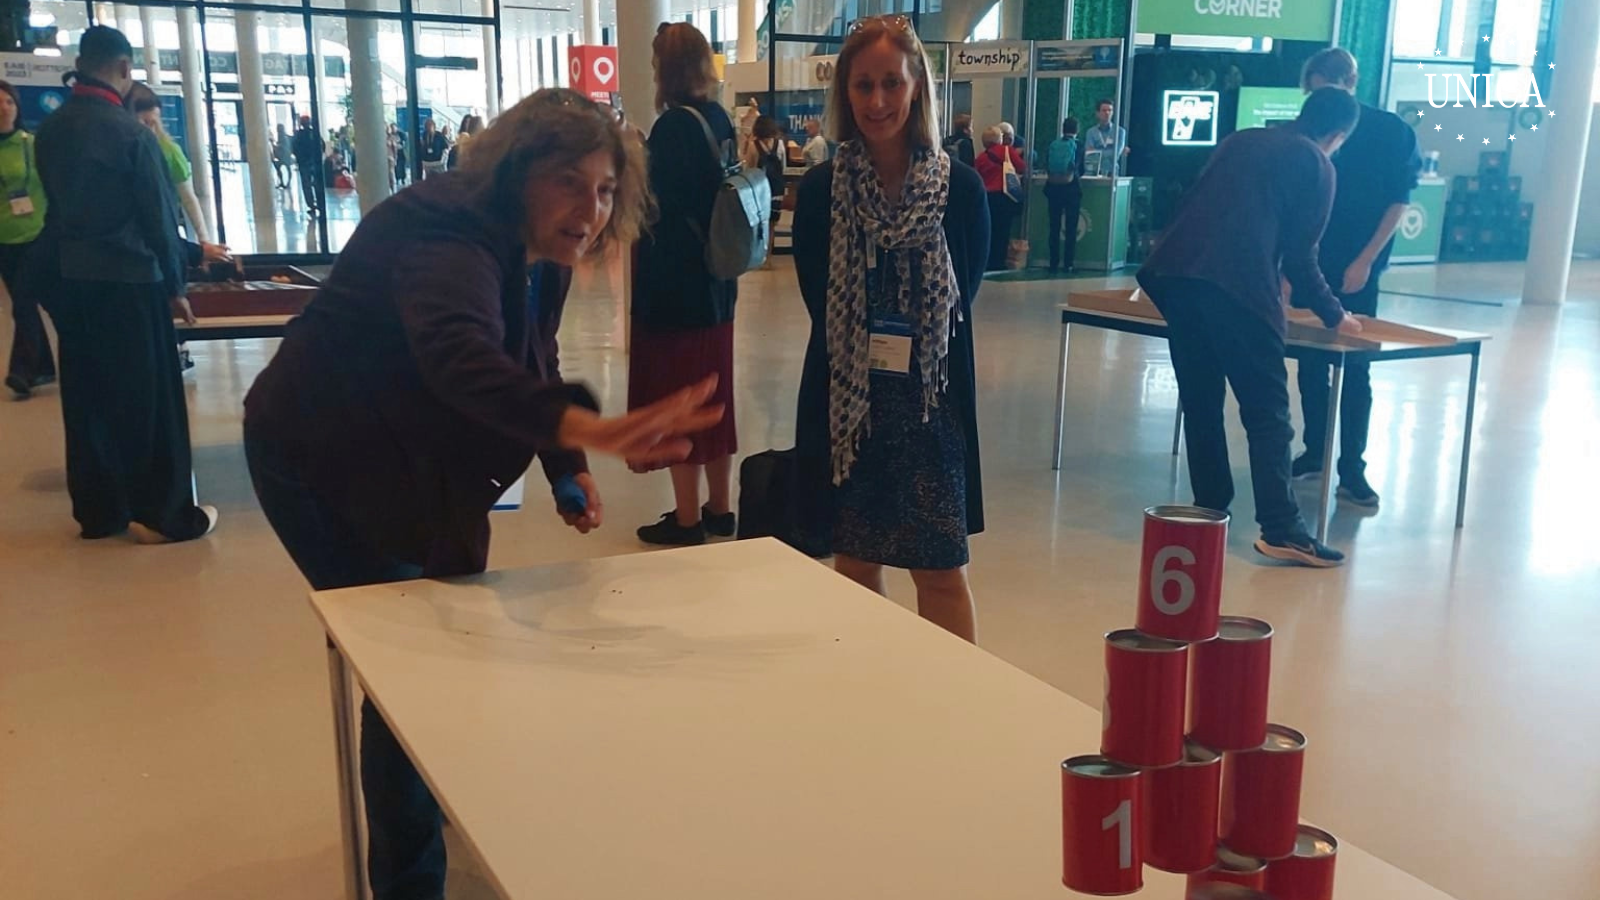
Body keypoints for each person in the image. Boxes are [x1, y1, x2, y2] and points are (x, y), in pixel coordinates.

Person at [243, 88, 722, 900]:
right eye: (569, 182)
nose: (590, 209)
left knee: (446, 640)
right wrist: (594, 428)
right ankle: (409, 883)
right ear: (515, 170)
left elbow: (525, 353)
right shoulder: (446, 230)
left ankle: (426, 810)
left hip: (420, 454)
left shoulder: (546, 244)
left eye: (605, 189)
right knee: (406, 671)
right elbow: (460, 356)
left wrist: (563, 464)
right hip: (322, 461)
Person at [792, 14, 990, 642]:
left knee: (940, 572)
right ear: (845, 95)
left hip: (931, 410)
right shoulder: (823, 190)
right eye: (862, 86)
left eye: (891, 84)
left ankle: (958, 701)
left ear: (917, 88)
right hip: (852, 410)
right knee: (853, 566)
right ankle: (868, 691)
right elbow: (818, 305)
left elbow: (966, 303)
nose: (877, 101)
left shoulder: (958, 188)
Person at [1135, 87, 1363, 568]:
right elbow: (1302, 257)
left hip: (1174, 276)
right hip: (1235, 287)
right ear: (1338, 134)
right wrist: (1335, 314)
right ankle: (1281, 528)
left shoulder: (1242, 140)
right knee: (1267, 414)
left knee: (1201, 403)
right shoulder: (1318, 164)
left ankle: (1210, 509)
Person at [30, 26, 228, 542]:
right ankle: (161, 515)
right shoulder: (129, 133)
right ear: (122, 69)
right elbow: (157, 217)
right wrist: (177, 283)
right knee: (148, 398)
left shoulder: (51, 130)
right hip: (130, 278)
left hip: (71, 279)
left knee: (87, 396)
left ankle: (99, 511)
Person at [1291, 48, 1421, 509]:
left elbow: (1397, 200)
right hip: (1311, 257)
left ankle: (1352, 468)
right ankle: (1314, 451)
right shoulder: (1311, 128)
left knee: (1356, 365)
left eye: (1320, 88)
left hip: (1356, 264)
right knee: (1308, 358)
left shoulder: (1390, 131)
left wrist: (1365, 260)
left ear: (1345, 81)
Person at [628, 21, 741, 547]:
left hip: (677, 289)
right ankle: (721, 508)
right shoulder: (720, 118)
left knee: (681, 396)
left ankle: (688, 518)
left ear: (666, 70)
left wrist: (634, 157)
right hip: (718, 282)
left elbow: (656, 209)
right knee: (716, 395)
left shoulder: (673, 128)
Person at [0, 78, 55, 400]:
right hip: (4, 239)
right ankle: (43, 364)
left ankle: (21, 371)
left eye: (8, 102)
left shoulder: (33, 145)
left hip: (38, 235)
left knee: (23, 302)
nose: (3, 109)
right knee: (27, 303)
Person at [125, 83, 210, 243]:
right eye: (144, 122)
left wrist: (204, 239)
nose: (150, 130)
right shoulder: (121, 151)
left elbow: (188, 198)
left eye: (154, 123)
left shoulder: (170, 151)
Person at [974, 124, 1024, 271]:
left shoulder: (981, 158)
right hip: (1005, 195)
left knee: (991, 229)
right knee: (1004, 230)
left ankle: (989, 260)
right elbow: (1022, 167)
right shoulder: (1008, 151)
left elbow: (977, 176)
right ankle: (1000, 261)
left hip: (988, 197)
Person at [1043, 117, 1083, 274]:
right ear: (1077, 130)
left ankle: (1053, 262)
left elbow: (1047, 164)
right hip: (1071, 190)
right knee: (1071, 227)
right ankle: (1068, 264)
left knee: (1054, 226)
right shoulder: (1078, 145)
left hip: (1053, 188)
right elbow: (1081, 168)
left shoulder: (1054, 145)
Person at [745, 114, 786, 246]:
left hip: (759, 189)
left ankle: (760, 253)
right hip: (776, 189)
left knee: (760, 222)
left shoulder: (753, 146)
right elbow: (783, 166)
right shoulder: (779, 144)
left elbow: (749, 169)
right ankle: (769, 255)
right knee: (772, 224)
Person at [291, 113, 324, 214]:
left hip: (304, 163)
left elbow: (294, 148)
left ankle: (311, 204)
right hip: (314, 162)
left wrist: (299, 158)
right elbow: (322, 145)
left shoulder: (298, 135)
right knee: (317, 183)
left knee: (307, 185)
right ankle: (319, 203)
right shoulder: (314, 133)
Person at [1085, 98, 1127, 175]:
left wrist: (1097, 151)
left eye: (1110, 110)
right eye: (1104, 110)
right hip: (1094, 173)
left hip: (1113, 174)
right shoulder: (1091, 132)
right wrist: (1110, 150)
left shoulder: (1120, 132)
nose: (1107, 113)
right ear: (1097, 113)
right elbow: (1090, 154)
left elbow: (1116, 155)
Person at [272, 122, 292, 189]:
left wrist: (277, 146)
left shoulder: (284, 137)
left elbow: (284, 146)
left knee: (287, 169)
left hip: (285, 156)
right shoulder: (280, 136)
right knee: (278, 168)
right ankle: (282, 182)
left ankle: (287, 182)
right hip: (281, 156)